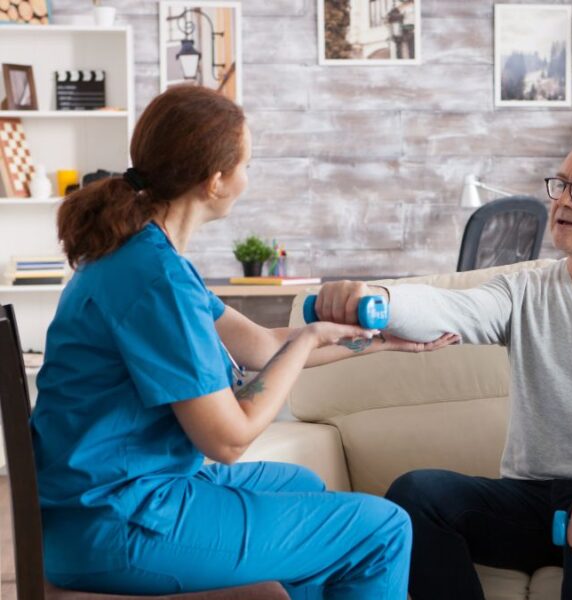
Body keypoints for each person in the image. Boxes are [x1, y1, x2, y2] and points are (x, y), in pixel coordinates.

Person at [30, 85, 457, 598]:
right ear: (214, 181)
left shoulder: (144, 255)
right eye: (247, 165)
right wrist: (310, 339)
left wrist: (378, 341)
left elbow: (260, 344)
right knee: (382, 530)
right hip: (118, 521)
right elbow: (228, 440)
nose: (248, 179)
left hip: (107, 499)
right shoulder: (156, 279)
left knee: (305, 487)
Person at [316, 136, 572, 600]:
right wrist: (380, 299)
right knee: (418, 496)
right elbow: (451, 308)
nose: (563, 200)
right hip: (539, 502)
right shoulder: (523, 291)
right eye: (561, 185)